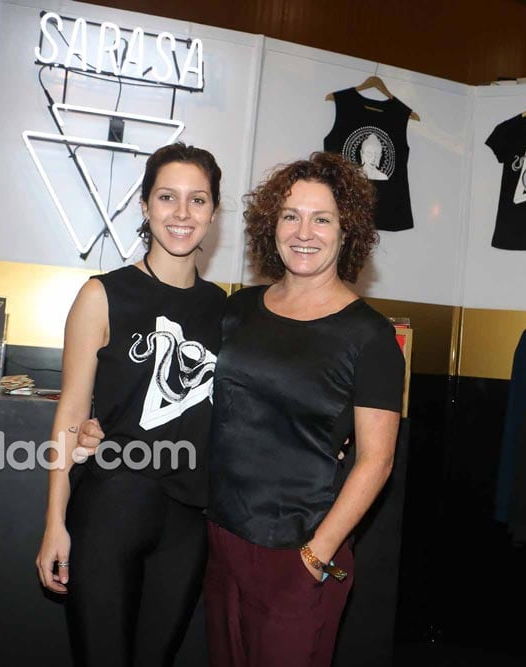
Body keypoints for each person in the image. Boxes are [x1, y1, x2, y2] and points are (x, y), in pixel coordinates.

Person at [203, 151, 405, 667]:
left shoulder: (370, 336)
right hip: (224, 540)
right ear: (271, 226)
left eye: (322, 218)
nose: (304, 231)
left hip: (300, 550)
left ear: (347, 230)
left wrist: (317, 554)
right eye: (291, 215)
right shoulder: (239, 309)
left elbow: (376, 461)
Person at [35, 142, 227, 666]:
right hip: (111, 508)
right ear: (145, 206)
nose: (182, 214)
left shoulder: (224, 309)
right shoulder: (102, 295)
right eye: (167, 197)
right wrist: (55, 522)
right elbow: (71, 415)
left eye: (198, 200)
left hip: (188, 520)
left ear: (213, 212)